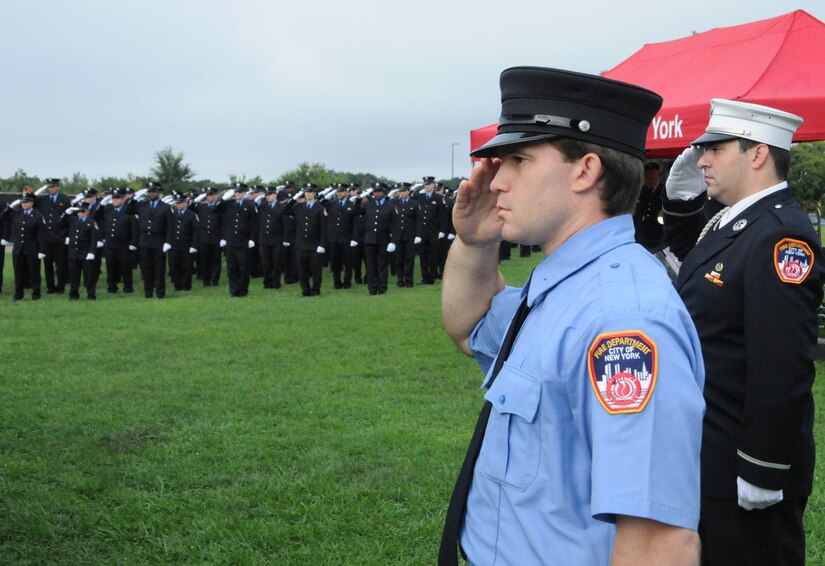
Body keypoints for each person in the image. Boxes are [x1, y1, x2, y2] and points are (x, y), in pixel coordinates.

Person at [438, 66, 705, 565]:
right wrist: (475, 243)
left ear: (584, 171)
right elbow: (469, 327)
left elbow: (657, 541)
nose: (496, 181)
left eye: (518, 159)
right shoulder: (568, 283)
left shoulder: (623, 318)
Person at [662, 99, 824, 566]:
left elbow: (782, 362)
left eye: (714, 148)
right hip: (713, 452)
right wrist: (680, 201)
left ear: (757, 155)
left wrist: (762, 466)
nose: (702, 159)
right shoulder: (740, 219)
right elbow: (697, 264)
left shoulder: (780, 236)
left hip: (743, 461)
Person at [1, 191, 45, 301]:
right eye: (22, 202)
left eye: (26, 202)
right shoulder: (16, 213)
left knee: (34, 272)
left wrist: (42, 250)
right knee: (18, 273)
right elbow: (2, 217)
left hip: (32, 248)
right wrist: (10, 207)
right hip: (18, 249)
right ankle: (18, 294)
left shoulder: (38, 215)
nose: (24, 204)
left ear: (32, 202)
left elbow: (42, 234)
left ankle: (36, 293)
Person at [288, 183, 326, 297]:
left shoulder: (320, 208)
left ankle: (315, 290)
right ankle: (305, 290)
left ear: (314, 193)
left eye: (310, 192)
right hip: (301, 244)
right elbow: (284, 210)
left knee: (316, 270)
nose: (308, 194)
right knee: (301, 270)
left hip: (314, 244)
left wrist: (322, 244)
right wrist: (294, 199)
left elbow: (324, 228)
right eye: (306, 192)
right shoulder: (299, 207)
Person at [136, 181, 172, 299]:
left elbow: (170, 226)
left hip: (159, 241)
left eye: (154, 191)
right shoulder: (142, 205)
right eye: (149, 191)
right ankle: (148, 292)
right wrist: (139, 193)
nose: (152, 194)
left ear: (158, 192)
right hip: (145, 241)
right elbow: (129, 204)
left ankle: (160, 292)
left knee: (159, 268)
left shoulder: (166, 207)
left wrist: (167, 241)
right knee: (146, 268)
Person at [35, 178, 71, 294]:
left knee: (61, 264)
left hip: (60, 236)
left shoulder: (65, 199)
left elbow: (69, 218)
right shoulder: (42, 199)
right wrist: (38, 191)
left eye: (53, 186)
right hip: (46, 237)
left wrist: (67, 235)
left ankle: (60, 287)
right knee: (48, 264)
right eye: (49, 187)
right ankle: (50, 287)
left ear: (58, 187)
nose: (51, 189)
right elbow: (29, 199)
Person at [223, 182, 258, 297]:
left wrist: (252, 239)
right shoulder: (228, 204)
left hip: (244, 241)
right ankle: (233, 290)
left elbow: (253, 223)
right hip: (231, 240)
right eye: (235, 192)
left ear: (244, 193)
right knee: (231, 267)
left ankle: (243, 290)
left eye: (239, 192)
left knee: (243, 267)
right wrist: (223, 198)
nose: (237, 194)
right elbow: (215, 209)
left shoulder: (249, 205)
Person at [100, 189, 137, 294]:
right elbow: (96, 217)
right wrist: (101, 204)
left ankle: (128, 287)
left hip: (124, 245)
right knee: (110, 267)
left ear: (123, 199)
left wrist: (133, 243)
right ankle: (112, 287)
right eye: (113, 199)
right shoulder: (107, 209)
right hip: (110, 244)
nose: (115, 201)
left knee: (125, 267)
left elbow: (134, 228)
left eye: (118, 198)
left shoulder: (129, 210)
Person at [360, 182, 393, 295]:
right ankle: (372, 288)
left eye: (379, 191)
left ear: (384, 192)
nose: (377, 194)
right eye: (375, 191)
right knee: (371, 265)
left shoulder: (390, 205)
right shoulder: (368, 204)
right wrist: (359, 199)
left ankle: (382, 287)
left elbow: (394, 224)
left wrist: (392, 241)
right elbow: (355, 212)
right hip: (370, 240)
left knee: (382, 265)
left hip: (383, 240)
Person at [62, 202, 100, 300]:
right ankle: (74, 294)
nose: (80, 213)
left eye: (82, 211)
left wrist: (92, 251)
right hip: (73, 252)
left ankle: (91, 294)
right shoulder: (72, 220)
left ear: (87, 212)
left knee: (89, 275)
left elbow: (94, 238)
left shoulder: (91, 222)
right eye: (78, 211)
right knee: (74, 275)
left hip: (86, 252)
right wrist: (66, 213)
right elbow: (59, 223)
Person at [323, 183, 356, 289]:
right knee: (335, 263)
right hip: (334, 238)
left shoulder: (351, 205)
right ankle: (336, 283)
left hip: (346, 238)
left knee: (348, 263)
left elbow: (355, 223)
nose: (339, 193)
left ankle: (347, 283)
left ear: (346, 192)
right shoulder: (331, 204)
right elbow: (320, 202)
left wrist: (354, 238)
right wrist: (327, 194)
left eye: (342, 191)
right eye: (338, 191)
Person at [415, 175, 445, 284]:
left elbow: (442, 215)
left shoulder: (437, 198)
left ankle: (432, 277)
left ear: (433, 185)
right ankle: (424, 277)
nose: (427, 186)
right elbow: (412, 194)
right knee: (423, 256)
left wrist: (441, 230)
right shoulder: (420, 197)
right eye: (425, 185)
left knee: (433, 256)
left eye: (428, 184)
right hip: (423, 231)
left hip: (433, 231)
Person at [167, 193, 200, 291]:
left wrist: (194, 245)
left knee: (186, 266)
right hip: (174, 245)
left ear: (186, 203)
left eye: (180, 203)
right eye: (177, 203)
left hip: (187, 244)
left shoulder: (192, 215)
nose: (178, 205)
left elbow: (196, 231)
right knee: (174, 266)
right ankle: (177, 285)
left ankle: (186, 285)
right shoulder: (172, 214)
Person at [257, 186, 288, 289]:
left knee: (276, 263)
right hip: (264, 239)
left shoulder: (282, 207)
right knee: (265, 263)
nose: (267, 197)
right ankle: (267, 283)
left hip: (276, 239)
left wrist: (285, 239)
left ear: (275, 194)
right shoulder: (262, 206)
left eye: (269, 194)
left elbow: (285, 224)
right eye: (266, 195)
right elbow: (253, 204)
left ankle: (276, 283)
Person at [390, 182, 420, 287]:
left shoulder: (414, 203)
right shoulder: (394, 203)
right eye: (400, 191)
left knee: (409, 259)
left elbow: (418, 220)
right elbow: (392, 220)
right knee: (399, 259)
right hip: (398, 235)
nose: (402, 193)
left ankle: (409, 280)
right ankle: (400, 280)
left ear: (409, 191)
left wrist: (418, 235)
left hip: (410, 235)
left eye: (404, 191)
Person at [194, 187, 224, 286]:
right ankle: (206, 280)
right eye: (207, 195)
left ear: (215, 195)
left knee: (216, 260)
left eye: (210, 195)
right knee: (204, 260)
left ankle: (215, 280)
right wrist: (199, 198)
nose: (208, 197)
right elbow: (190, 207)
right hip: (204, 238)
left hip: (216, 237)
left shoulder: (220, 207)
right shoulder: (202, 207)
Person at [633, 162, 665, 250]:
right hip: (641, 234)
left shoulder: (664, 191)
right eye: (647, 174)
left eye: (652, 174)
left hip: (658, 234)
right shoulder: (639, 191)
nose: (649, 176)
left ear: (659, 175)